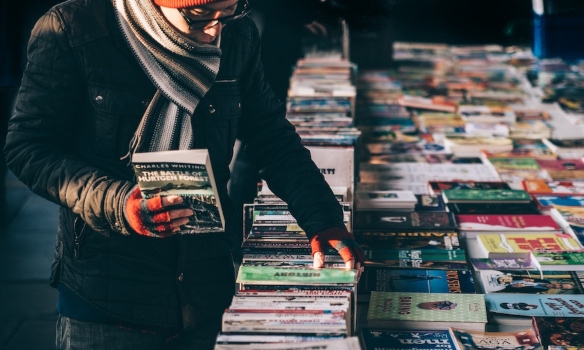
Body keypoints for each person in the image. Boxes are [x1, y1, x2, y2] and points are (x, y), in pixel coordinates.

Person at [4, 0, 364, 348]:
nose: (214, 29)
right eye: (198, 16)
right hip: (107, 298)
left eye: (227, 12)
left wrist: (322, 217)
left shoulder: (237, 35)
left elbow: (269, 134)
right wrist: (119, 202)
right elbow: (29, 148)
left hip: (205, 288)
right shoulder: (73, 30)